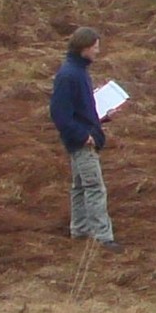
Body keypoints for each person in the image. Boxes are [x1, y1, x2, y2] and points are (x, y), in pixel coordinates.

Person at [50, 27, 124, 253]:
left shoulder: (78, 71)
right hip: (82, 142)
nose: (98, 51)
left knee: (81, 186)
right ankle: (103, 237)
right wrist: (84, 136)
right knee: (94, 187)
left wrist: (104, 117)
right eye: (95, 47)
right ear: (84, 47)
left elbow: (82, 110)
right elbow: (59, 113)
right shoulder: (69, 75)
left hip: (83, 138)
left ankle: (80, 231)